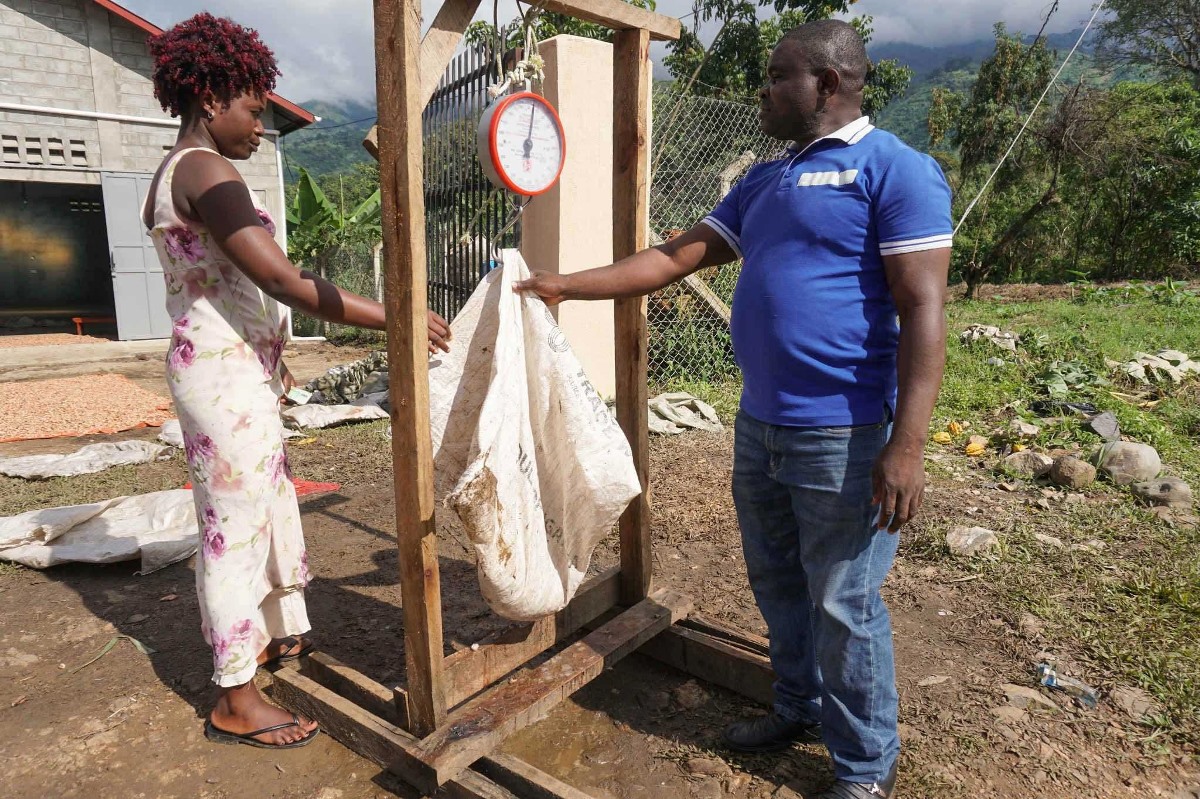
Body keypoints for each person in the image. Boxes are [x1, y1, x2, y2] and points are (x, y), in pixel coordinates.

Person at [516, 19, 951, 799]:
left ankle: (863, 767)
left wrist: (907, 443)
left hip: (845, 433)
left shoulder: (895, 170)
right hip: (762, 424)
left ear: (827, 83)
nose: (765, 88)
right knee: (777, 577)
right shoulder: (764, 181)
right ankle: (797, 703)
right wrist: (563, 284)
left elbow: (923, 309)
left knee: (843, 600)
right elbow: (673, 256)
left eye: (780, 75)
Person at [144, 13, 451, 749]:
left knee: (267, 507)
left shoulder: (179, 168)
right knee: (234, 529)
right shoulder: (203, 169)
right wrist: (397, 317)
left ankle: (275, 636)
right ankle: (234, 694)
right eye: (253, 109)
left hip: (229, 373)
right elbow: (281, 277)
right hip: (222, 379)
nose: (260, 124)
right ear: (212, 96)